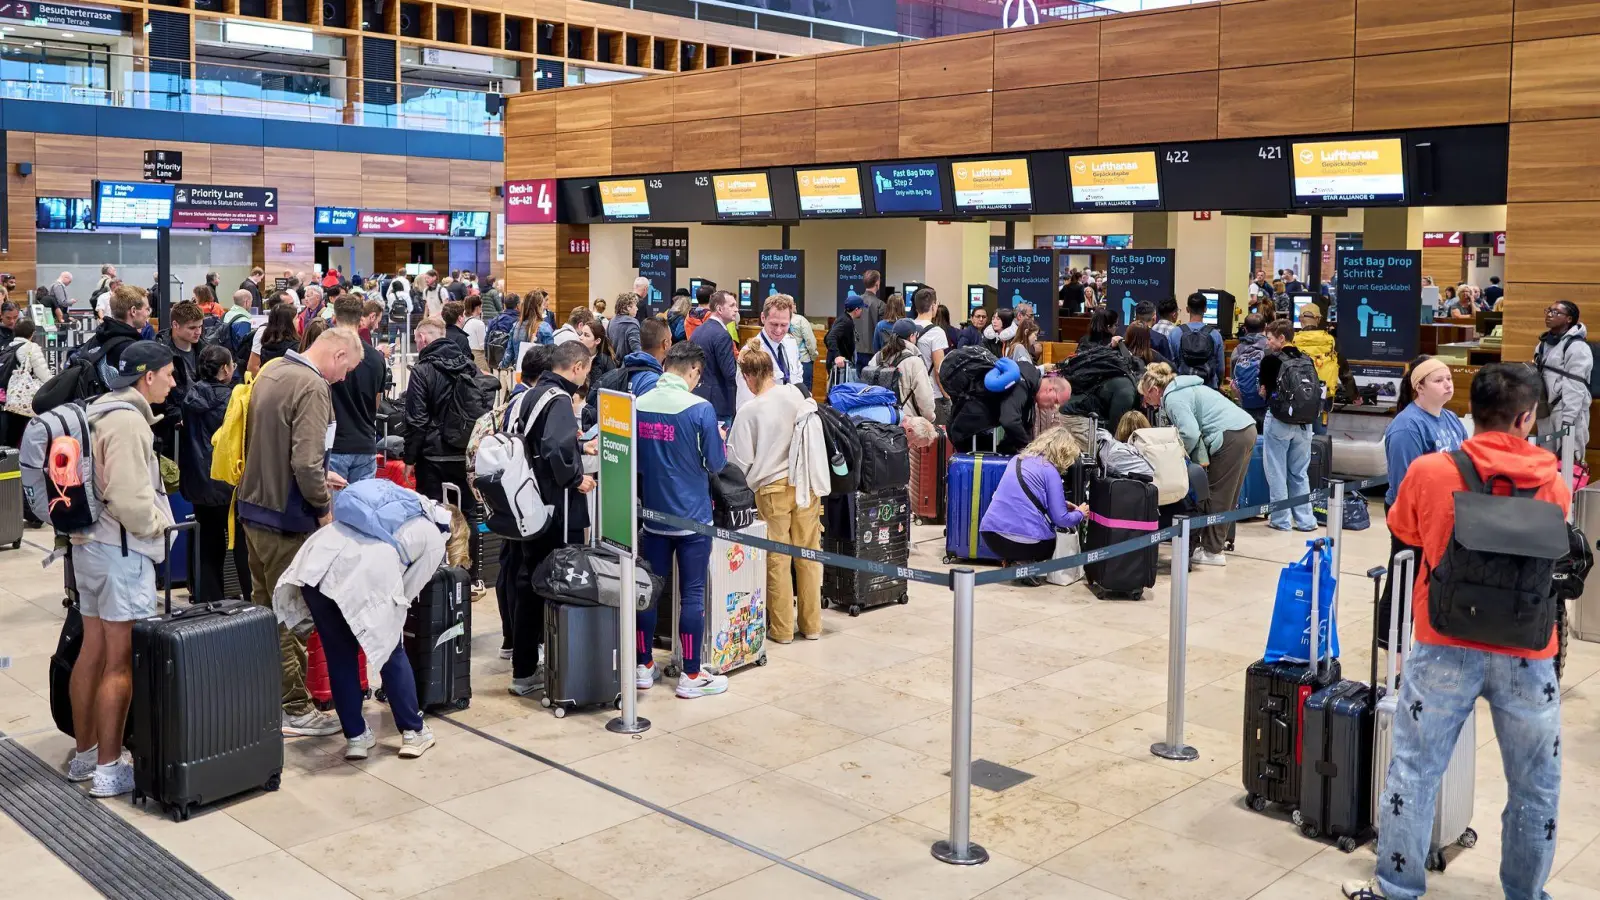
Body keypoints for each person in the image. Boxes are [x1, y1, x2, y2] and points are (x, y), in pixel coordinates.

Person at [1343, 363, 1568, 900]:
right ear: (1526, 417)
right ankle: (1526, 893)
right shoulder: (1553, 483)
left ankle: (1397, 888)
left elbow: (1404, 528)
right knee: (1536, 784)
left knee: (1415, 770)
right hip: (1528, 650)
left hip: (1444, 641)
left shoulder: (1431, 470)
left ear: (1475, 409)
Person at [61, 342, 178, 797]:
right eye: (167, 374)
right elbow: (130, 499)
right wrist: (159, 527)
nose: (172, 382)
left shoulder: (97, 410)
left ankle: (85, 755)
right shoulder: (129, 422)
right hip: (121, 552)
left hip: (88, 548)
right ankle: (109, 770)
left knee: (92, 652)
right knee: (118, 662)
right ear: (146, 376)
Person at [238, 326, 362, 736]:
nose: (344, 379)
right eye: (348, 370)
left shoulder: (272, 370)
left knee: (261, 612)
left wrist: (321, 475)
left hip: (253, 509)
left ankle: (264, 695)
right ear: (339, 354)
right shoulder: (312, 387)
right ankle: (293, 706)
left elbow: (272, 445)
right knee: (288, 617)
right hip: (287, 520)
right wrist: (324, 510)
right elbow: (306, 463)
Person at [276, 489, 444, 760]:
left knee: (340, 657)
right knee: (391, 650)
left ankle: (355, 737)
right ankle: (413, 731)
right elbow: (406, 593)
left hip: (316, 562)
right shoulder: (436, 539)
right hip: (362, 571)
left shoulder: (399, 505)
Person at [634, 342, 729, 698]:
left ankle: (643, 666)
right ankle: (691, 674)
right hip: (692, 519)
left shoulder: (637, 404)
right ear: (693, 372)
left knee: (649, 592)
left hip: (652, 517)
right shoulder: (700, 409)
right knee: (692, 595)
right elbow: (716, 465)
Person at [505, 342, 594, 695]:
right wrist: (575, 477)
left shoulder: (528, 394)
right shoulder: (558, 400)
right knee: (549, 582)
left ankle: (525, 663)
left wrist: (577, 446)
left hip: (527, 506)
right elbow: (554, 449)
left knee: (529, 580)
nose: (586, 377)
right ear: (575, 367)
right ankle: (530, 669)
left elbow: (540, 442)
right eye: (586, 370)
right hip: (553, 508)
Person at [728, 344, 824, 644]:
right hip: (805, 482)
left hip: (771, 490)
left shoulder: (749, 411)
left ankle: (781, 630)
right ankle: (812, 626)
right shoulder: (795, 394)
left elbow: (737, 464)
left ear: (747, 377)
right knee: (808, 555)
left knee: (777, 559)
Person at [1138, 362, 1256, 567]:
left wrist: (1177, 453)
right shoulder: (1185, 387)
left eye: (1146, 396)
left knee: (1217, 494)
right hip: (1246, 429)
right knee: (1229, 494)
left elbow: (1190, 433)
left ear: (1155, 390)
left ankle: (1212, 551)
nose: (1147, 403)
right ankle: (1217, 543)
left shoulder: (1173, 398)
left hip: (1229, 437)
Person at [182, 346, 250, 606]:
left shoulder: (190, 397)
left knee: (208, 548)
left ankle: (209, 605)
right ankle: (252, 604)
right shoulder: (235, 399)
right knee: (241, 548)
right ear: (225, 369)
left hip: (199, 484)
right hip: (228, 482)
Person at [978, 426, 1090, 581]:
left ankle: (1013, 560)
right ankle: (1023, 562)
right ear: (1064, 453)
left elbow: (1019, 498)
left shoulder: (1016, 460)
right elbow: (1061, 520)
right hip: (1027, 543)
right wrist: (1080, 513)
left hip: (991, 536)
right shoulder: (1050, 471)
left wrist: (1061, 503)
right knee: (1054, 542)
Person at [403, 318, 482, 519]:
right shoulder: (470, 367)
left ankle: (439, 551)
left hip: (432, 456)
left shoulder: (421, 370)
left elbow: (417, 421)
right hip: (464, 452)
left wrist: (410, 458)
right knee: (467, 516)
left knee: (432, 513)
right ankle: (465, 552)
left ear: (421, 338)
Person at [1258, 319, 1318, 533]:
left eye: (1271, 338)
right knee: (1299, 473)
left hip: (1279, 421)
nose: (1268, 343)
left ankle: (1281, 519)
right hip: (1305, 424)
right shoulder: (1307, 359)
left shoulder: (1270, 361)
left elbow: (1263, 391)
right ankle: (1306, 520)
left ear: (1282, 338)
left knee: (1276, 471)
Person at [949, 356, 1071, 456]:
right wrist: (1031, 448)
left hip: (972, 429)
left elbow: (1018, 428)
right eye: (1055, 401)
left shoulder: (1029, 379)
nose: (1053, 408)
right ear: (1049, 390)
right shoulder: (1021, 386)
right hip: (968, 432)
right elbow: (1010, 420)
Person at [327, 297, 386, 484]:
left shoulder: (326, 354)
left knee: (332, 511)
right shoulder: (377, 358)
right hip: (365, 444)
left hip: (335, 445)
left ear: (334, 319)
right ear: (360, 319)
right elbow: (376, 402)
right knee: (362, 510)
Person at [1534, 299, 1592, 462]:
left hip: (1566, 409)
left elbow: (1575, 385)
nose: (1550, 315)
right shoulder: (1542, 344)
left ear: (1569, 319)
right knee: (1546, 459)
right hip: (1546, 408)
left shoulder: (1577, 347)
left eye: (1556, 312)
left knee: (1569, 459)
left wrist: (1568, 418)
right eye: (1549, 311)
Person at [736, 293, 803, 408]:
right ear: (763, 318)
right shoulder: (750, 353)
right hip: (766, 418)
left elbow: (797, 378)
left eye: (784, 325)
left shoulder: (790, 343)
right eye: (774, 324)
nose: (778, 330)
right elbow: (745, 403)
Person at [689, 289, 739, 427]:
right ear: (719, 309)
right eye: (732, 305)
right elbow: (730, 374)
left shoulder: (697, 331)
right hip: (719, 402)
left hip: (698, 396)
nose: (736, 309)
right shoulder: (722, 335)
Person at [78, 284, 148, 380]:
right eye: (147, 309)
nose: (148, 313)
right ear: (133, 311)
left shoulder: (98, 338)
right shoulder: (131, 349)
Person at [867, 329, 936, 422]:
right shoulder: (915, 361)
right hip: (905, 421)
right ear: (912, 336)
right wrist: (929, 418)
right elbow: (925, 397)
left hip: (877, 418)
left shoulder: (878, 357)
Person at [1, 318, 51, 448]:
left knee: (12, 434)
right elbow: (44, 375)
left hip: (10, 398)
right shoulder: (31, 348)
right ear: (32, 333)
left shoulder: (8, 347)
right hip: (26, 399)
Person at [1294, 306, 1343, 434]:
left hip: (1298, 392)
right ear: (1319, 319)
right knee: (1319, 436)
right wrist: (1354, 394)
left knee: (1298, 434)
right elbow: (1343, 367)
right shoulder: (1331, 340)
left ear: (1300, 319)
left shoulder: (1293, 340)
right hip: (1323, 393)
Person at [910, 288, 951, 424]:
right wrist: (947, 396)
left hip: (910, 395)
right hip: (931, 395)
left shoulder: (907, 328)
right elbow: (939, 370)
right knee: (935, 441)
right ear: (933, 306)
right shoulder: (936, 332)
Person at [1173, 292, 1225, 388]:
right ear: (1205, 309)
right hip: (1208, 386)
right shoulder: (1215, 334)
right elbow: (1220, 368)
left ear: (1187, 309)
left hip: (1182, 387)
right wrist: (1218, 383)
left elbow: (1171, 363)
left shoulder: (1176, 333)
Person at [1232, 313, 1270, 430]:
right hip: (1266, 404)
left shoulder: (1237, 349)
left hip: (1245, 403)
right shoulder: (1269, 347)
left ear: (1245, 328)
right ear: (1265, 327)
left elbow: (1233, 380)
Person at [248, 302, 299, 375]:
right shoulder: (295, 347)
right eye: (296, 318)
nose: (299, 321)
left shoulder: (265, 341)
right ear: (289, 323)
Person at [855, 269, 885, 369]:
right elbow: (883, 333)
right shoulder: (880, 305)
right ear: (877, 283)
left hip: (855, 352)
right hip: (873, 354)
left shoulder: (854, 302)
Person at [578, 317, 617, 390]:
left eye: (586, 335)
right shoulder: (575, 357)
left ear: (597, 341)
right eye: (581, 334)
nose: (580, 337)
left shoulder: (606, 362)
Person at [788, 305, 819, 399]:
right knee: (806, 394)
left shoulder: (779, 321)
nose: (796, 306)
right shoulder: (800, 320)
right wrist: (813, 357)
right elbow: (810, 341)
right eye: (794, 304)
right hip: (803, 360)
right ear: (790, 305)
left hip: (787, 362)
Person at [828, 296, 862, 370]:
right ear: (856, 310)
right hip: (841, 367)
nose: (862, 310)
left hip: (840, 365)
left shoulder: (843, 318)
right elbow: (830, 337)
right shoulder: (846, 322)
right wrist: (837, 355)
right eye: (861, 308)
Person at [606, 292, 643, 358]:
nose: (637, 308)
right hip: (628, 365)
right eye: (635, 305)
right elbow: (637, 351)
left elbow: (607, 346)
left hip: (613, 365)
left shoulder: (611, 321)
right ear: (628, 307)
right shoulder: (632, 323)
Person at [460, 295, 488, 372]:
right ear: (477, 307)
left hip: (467, 356)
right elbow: (483, 345)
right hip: (478, 357)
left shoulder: (464, 321)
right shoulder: (479, 323)